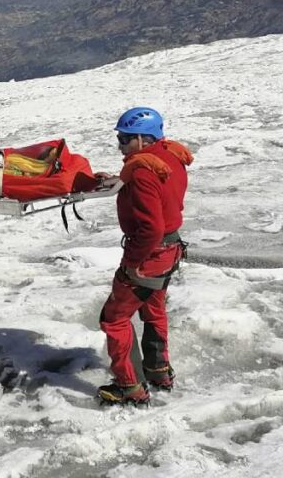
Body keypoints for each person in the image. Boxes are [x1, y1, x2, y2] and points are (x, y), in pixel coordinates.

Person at [97, 106, 193, 406]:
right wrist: (119, 179)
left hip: (150, 255)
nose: (121, 145)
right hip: (171, 250)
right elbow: (159, 188)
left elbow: (150, 227)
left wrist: (133, 264)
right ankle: (158, 369)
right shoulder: (169, 156)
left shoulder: (141, 172)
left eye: (125, 139)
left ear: (142, 138)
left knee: (114, 318)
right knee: (153, 310)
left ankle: (129, 386)